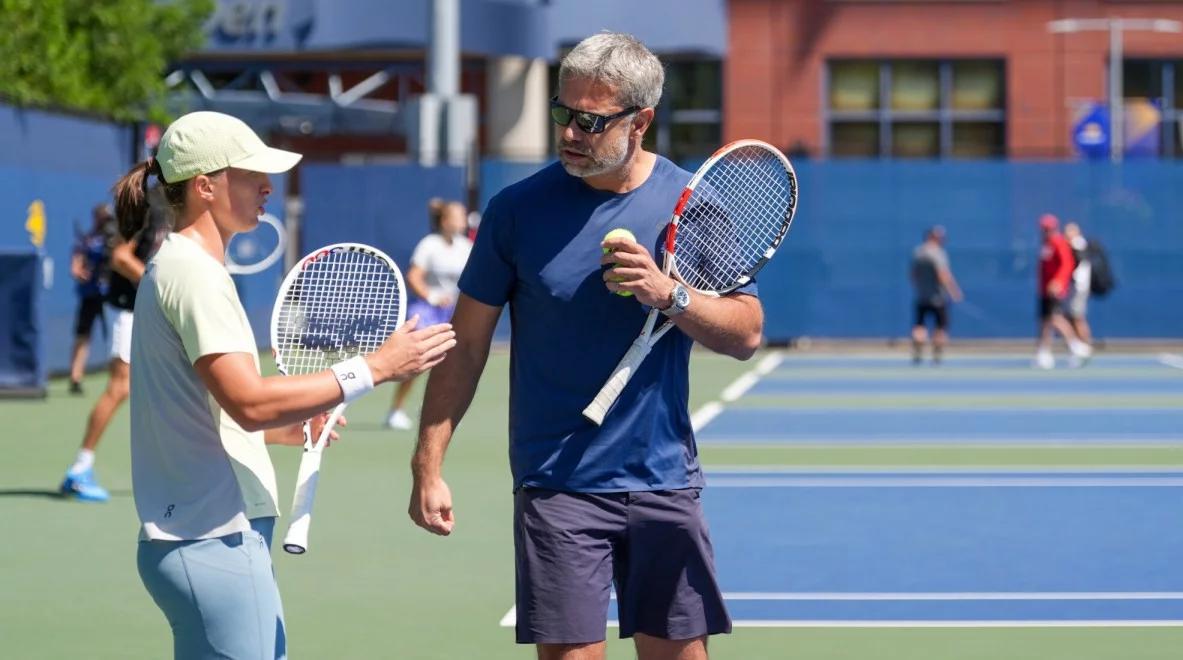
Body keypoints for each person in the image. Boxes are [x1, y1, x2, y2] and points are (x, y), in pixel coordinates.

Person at [409, 33, 751, 660]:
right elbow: (466, 349)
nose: (570, 132)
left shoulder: (693, 207)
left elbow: (746, 330)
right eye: (562, 113)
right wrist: (427, 464)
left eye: (590, 121)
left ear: (640, 121)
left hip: (662, 480)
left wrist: (668, 294)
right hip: (556, 485)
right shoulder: (515, 212)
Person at [116, 111, 455, 659]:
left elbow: (211, 408)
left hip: (200, 538)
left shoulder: (180, 267)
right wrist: (373, 367)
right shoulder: (194, 274)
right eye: (251, 174)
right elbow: (248, 401)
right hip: (212, 541)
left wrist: (290, 424)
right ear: (206, 186)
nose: (268, 186)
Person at [58, 194, 169, 502]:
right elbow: (121, 257)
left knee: (165, 386)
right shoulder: (144, 211)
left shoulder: (169, 214)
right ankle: (79, 470)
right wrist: (160, 284)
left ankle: (172, 469)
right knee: (120, 387)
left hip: (146, 310)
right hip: (125, 310)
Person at [384, 198, 473, 430]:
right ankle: (396, 410)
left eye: (463, 216)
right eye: (458, 216)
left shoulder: (466, 246)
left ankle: (439, 412)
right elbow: (414, 276)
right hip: (427, 310)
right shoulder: (429, 245)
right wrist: (432, 296)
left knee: (452, 365)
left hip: (453, 311)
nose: (463, 220)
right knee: (417, 362)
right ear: (445, 221)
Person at [67, 204, 116, 394]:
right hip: (89, 296)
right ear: (95, 218)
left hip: (110, 297)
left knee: (115, 336)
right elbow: (76, 265)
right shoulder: (88, 241)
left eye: (108, 218)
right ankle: (75, 378)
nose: (106, 222)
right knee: (83, 336)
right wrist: (79, 272)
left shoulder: (115, 239)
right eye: (102, 218)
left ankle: (118, 377)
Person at [1035, 213, 1091, 369]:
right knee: (1045, 321)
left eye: (1048, 228)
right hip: (1044, 290)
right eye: (1044, 229)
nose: (1046, 231)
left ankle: (1076, 346)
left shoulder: (1059, 243)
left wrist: (1058, 282)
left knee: (1055, 318)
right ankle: (1044, 353)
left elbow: (1067, 265)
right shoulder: (1046, 244)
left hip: (1054, 290)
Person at [909, 225, 963, 365]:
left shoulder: (918, 252)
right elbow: (943, 275)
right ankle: (937, 354)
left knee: (919, 325)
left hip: (922, 297)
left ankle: (918, 351)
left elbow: (913, 274)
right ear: (933, 237)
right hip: (938, 297)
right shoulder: (938, 253)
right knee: (941, 326)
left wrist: (920, 287)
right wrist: (954, 291)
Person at [1063, 221, 1093, 348]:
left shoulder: (1077, 244)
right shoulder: (1075, 245)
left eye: (1070, 231)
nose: (1067, 234)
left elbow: (1075, 264)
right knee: (1071, 316)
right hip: (1076, 287)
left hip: (1079, 287)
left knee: (1077, 317)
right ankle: (1080, 345)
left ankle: (1085, 345)